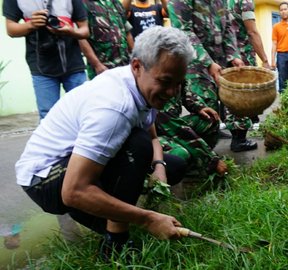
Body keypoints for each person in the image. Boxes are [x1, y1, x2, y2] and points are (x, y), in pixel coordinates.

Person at [15, 26, 193, 260]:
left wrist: (159, 167)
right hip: (44, 179)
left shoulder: (138, 84)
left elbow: (153, 136)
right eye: (165, 81)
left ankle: (108, 211)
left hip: (75, 166)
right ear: (138, 66)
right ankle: (114, 244)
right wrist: (147, 218)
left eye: (178, 83)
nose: (172, 92)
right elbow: (73, 191)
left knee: (173, 166)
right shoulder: (115, 107)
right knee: (136, 146)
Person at [169, 0, 259, 153]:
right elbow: (183, 31)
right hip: (195, 62)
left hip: (221, 58)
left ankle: (238, 139)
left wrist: (233, 55)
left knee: (235, 98)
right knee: (206, 111)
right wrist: (207, 62)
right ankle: (197, 154)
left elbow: (229, 27)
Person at [3, 0, 89, 120]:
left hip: (73, 64)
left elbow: (85, 30)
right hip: (41, 66)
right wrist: (31, 25)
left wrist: (71, 31)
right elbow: (11, 29)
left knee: (84, 111)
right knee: (49, 117)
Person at [228, 0, 271, 125]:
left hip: (225, 52)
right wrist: (265, 60)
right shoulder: (245, 2)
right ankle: (249, 123)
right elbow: (252, 32)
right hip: (242, 53)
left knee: (228, 87)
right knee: (247, 87)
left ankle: (226, 122)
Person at [79, 0, 133, 79]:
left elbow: (127, 31)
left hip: (124, 66)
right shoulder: (83, 4)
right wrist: (97, 65)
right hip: (103, 68)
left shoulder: (115, 3)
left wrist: (134, 55)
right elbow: (81, 39)